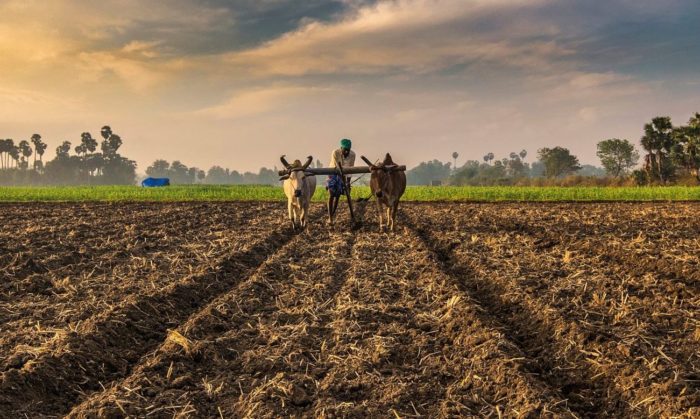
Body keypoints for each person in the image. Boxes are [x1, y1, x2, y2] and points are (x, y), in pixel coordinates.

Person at [326, 138, 355, 224]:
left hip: (344, 174)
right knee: (331, 194)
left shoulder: (353, 155)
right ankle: (330, 217)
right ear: (341, 148)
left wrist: (348, 183)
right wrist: (343, 179)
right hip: (333, 172)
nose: (346, 152)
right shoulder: (335, 153)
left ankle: (332, 215)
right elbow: (338, 168)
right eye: (345, 150)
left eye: (348, 150)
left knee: (338, 195)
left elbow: (351, 169)